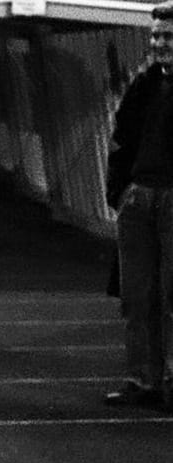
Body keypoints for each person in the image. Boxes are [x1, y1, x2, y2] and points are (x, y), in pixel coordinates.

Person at [104, 3, 173, 410]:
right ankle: (141, 379)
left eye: (167, 37)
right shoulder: (144, 84)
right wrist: (120, 191)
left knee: (171, 293)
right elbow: (120, 137)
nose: (159, 43)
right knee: (137, 295)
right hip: (139, 198)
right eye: (155, 36)